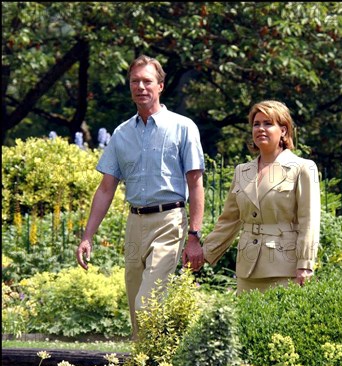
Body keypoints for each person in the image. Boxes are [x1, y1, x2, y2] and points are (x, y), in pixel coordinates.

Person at [76, 55, 205, 340]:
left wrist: (194, 235)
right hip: (134, 224)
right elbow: (106, 188)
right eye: (135, 81)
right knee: (136, 306)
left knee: (148, 302)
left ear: (160, 86)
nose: (141, 87)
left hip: (170, 221)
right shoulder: (121, 134)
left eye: (147, 81)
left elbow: (195, 184)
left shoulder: (183, 127)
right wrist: (87, 236)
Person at [201, 100, 320, 293]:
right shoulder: (242, 171)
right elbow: (229, 221)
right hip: (247, 270)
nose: (260, 129)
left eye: (268, 123)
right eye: (256, 124)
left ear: (283, 130)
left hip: (285, 269)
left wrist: (305, 264)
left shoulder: (303, 168)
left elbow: (310, 221)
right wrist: (203, 253)